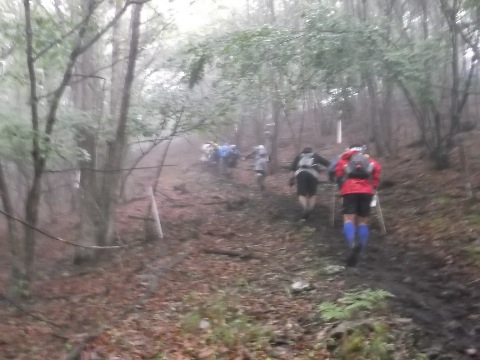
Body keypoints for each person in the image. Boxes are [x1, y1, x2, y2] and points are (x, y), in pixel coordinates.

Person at [334, 144, 381, 267]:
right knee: (363, 221)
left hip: (349, 189)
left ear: (350, 150)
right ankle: (362, 247)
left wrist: (341, 188)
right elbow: (377, 172)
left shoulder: (344, 160)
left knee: (348, 219)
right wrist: (374, 186)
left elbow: (338, 176)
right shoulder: (369, 160)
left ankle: (351, 244)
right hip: (366, 191)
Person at [289, 147, 330, 220]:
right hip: (313, 175)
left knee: (301, 194)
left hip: (301, 174)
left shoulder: (299, 156)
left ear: (303, 151)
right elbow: (327, 164)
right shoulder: (315, 155)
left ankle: (305, 209)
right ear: (311, 151)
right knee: (312, 194)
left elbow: (292, 169)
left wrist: (291, 179)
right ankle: (309, 211)